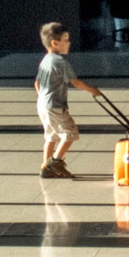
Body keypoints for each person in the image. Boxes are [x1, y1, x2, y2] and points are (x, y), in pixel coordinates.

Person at [35, 22, 102, 178]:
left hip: (43, 105)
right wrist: (93, 90)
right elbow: (75, 82)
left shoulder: (45, 60)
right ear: (54, 42)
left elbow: (37, 83)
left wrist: (43, 98)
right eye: (65, 39)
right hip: (55, 106)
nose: (69, 43)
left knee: (51, 136)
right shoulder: (60, 62)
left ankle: (46, 167)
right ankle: (55, 162)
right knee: (70, 133)